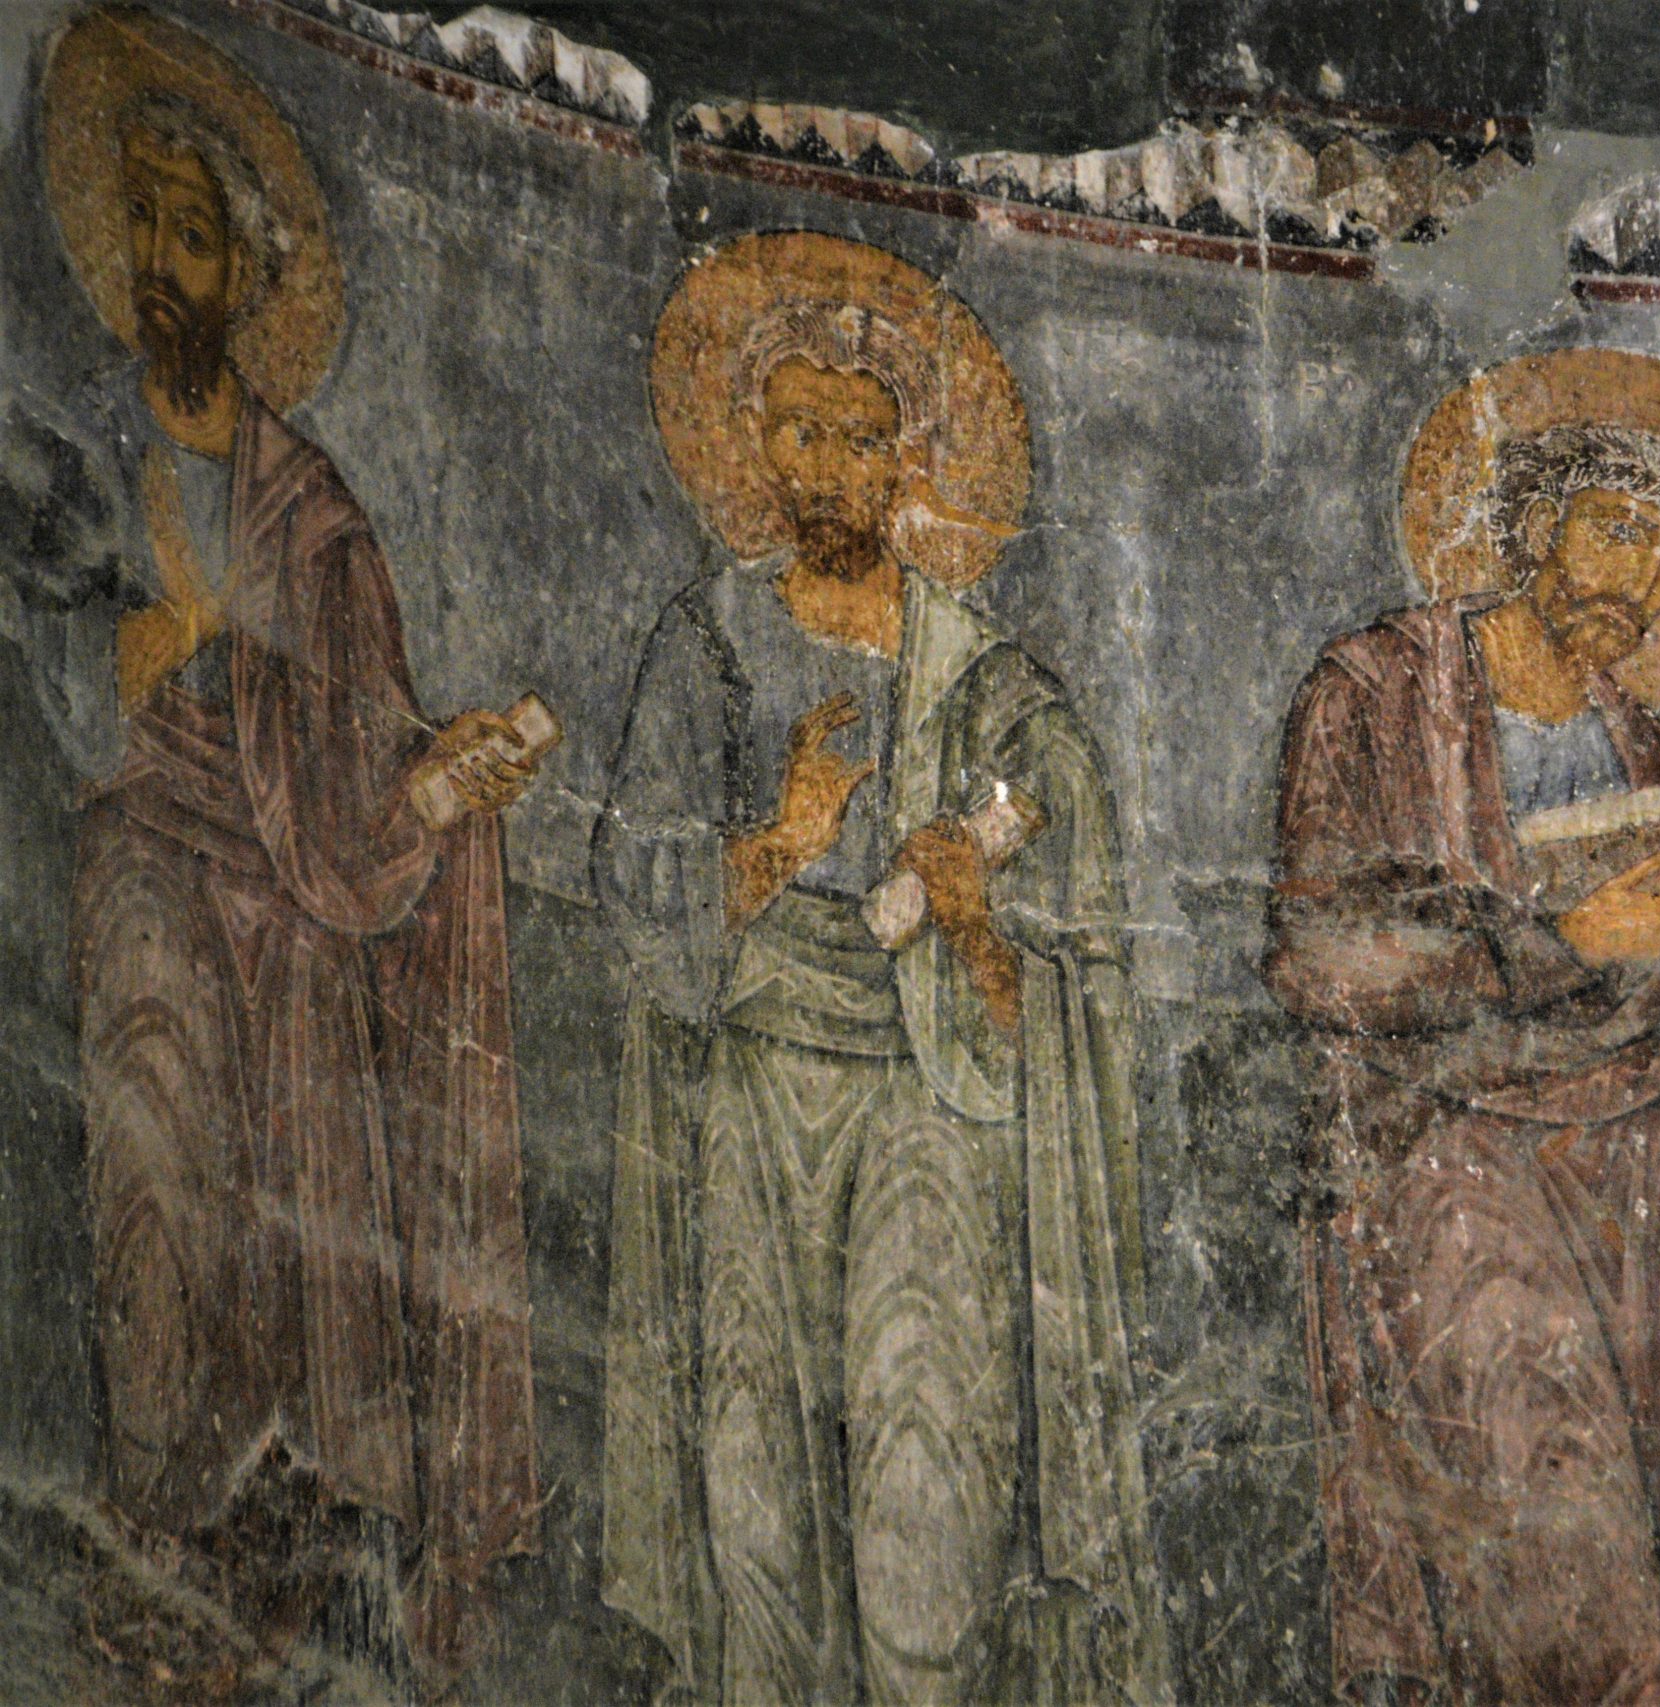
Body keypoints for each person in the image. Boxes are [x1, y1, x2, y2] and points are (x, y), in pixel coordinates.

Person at [30, 13, 542, 1678]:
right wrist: (161, 642)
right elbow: (60, 682)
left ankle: (294, 1574)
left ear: (249, 273)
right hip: (148, 877)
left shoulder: (313, 514)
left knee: (304, 1220)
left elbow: (360, 759)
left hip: (296, 906)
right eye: (143, 220)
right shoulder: (79, 451)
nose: (160, 261)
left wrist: (440, 781)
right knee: (160, 1201)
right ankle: (161, 1557)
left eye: (193, 231)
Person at [598, 235, 1168, 1706]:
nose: (828, 472)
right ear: (753, 444)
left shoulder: (993, 686)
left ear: (912, 461)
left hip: (928, 1098)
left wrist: (972, 916)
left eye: (861, 441)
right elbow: (638, 897)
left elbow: (1070, 994)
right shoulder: (706, 644)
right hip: (758, 1082)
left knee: (927, 1463)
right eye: (800, 433)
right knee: (753, 1458)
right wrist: (784, 843)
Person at [1265, 411, 1660, 1705]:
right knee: (1558, 1545)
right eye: (1617, 531)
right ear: (1532, 524)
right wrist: (1564, 937)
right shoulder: (1377, 692)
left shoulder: (1656, 756)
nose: (1640, 583)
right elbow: (1325, 955)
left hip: (1653, 1190)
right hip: (1449, 1173)